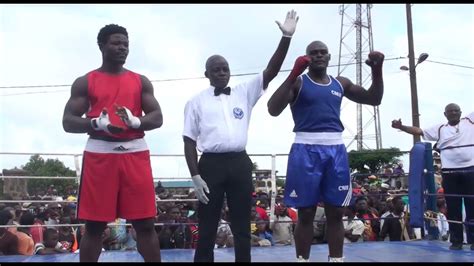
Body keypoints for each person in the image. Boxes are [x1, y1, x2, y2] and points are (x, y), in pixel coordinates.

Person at [182, 10, 299, 262]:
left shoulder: (243, 92)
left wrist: (286, 38)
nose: (222, 72)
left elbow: (271, 70)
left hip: (240, 162)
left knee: (242, 224)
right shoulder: (195, 102)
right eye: (216, 69)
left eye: (225, 68)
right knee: (208, 225)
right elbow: (189, 140)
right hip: (210, 164)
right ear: (207, 74)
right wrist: (195, 175)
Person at [267, 40, 384, 262]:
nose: (318, 56)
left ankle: (337, 259)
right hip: (305, 149)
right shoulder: (299, 82)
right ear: (307, 57)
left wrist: (377, 70)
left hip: (335, 150)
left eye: (322, 52)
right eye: (313, 53)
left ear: (329, 57)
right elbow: (273, 109)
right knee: (306, 212)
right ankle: (302, 259)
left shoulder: (340, 83)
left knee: (336, 212)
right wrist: (293, 73)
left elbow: (374, 99)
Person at [62, 24, 162, 262]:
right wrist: (95, 124)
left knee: (145, 224)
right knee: (95, 226)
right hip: (100, 156)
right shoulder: (85, 81)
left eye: (125, 44)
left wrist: (136, 122)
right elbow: (67, 121)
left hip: (135, 153)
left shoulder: (141, 81)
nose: (122, 48)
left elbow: (157, 117)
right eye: (116, 43)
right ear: (102, 46)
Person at [391, 103, 474, 250]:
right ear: (445, 114)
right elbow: (419, 130)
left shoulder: (470, 120)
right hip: (450, 173)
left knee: (472, 207)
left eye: (456, 111)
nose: (454, 113)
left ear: (461, 112)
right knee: (453, 208)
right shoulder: (440, 128)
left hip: (470, 170)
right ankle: (456, 241)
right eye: (450, 111)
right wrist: (401, 127)